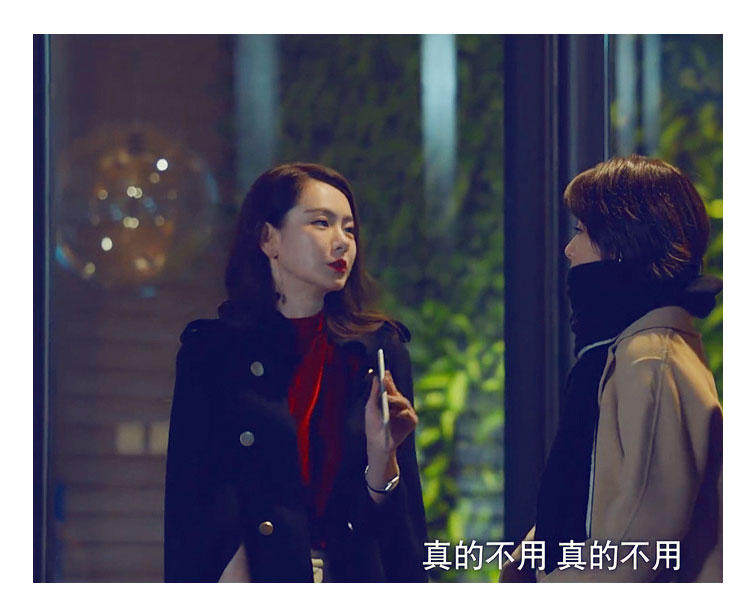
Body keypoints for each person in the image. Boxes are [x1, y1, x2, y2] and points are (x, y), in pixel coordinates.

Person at [164, 162, 428, 582]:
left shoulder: (377, 349)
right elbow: (193, 498)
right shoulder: (212, 352)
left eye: (349, 229)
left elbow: (401, 524)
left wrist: (383, 459)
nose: (341, 242)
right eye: (321, 223)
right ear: (268, 238)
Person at [500, 155, 722, 582]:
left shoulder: (650, 359)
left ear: (621, 243)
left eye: (581, 231)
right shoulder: (628, 350)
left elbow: (636, 545)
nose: (569, 250)